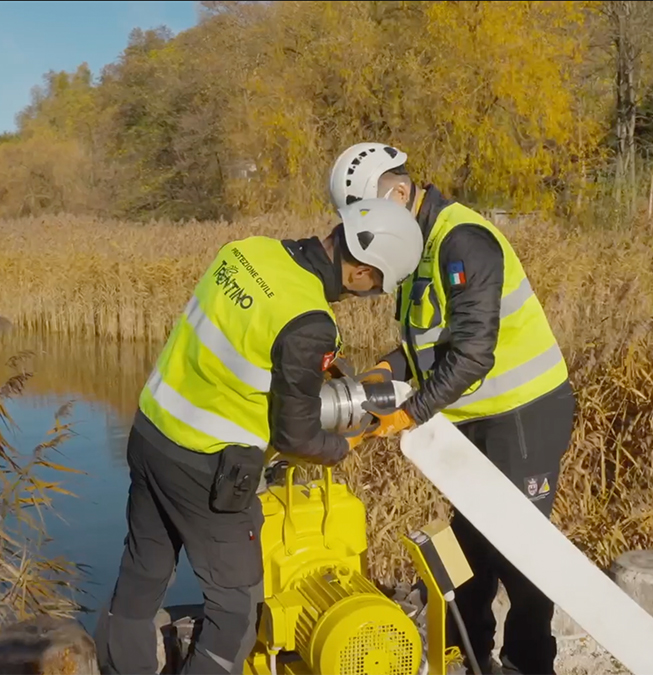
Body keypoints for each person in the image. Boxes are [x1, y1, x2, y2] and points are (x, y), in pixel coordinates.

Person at [94, 198, 424, 675]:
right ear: (360, 272)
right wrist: (344, 445)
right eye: (374, 288)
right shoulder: (310, 322)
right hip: (211, 471)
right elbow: (295, 436)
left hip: (151, 435)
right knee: (234, 616)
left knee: (141, 578)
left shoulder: (246, 252)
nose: (364, 296)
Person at [330, 143, 577, 675]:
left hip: (523, 412)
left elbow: (471, 355)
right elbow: (431, 343)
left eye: (369, 218)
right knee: (470, 543)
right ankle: (473, 656)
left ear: (399, 193)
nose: (366, 238)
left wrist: (409, 412)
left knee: (522, 549)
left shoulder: (462, 241)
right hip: (474, 418)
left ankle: (529, 663)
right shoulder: (414, 249)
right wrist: (385, 371)